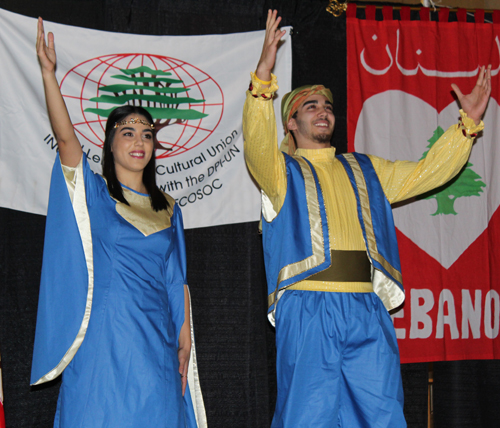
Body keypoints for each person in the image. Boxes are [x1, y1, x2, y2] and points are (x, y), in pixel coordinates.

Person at [243, 10, 491, 428]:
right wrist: (264, 79)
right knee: (308, 416)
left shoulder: (364, 169)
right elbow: (256, 146)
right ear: (291, 121)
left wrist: (466, 126)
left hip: (365, 306)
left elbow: (424, 173)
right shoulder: (281, 172)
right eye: (310, 106)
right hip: (308, 307)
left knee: (382, 414)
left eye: (327, 105)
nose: (323, 111)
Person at [30, 18, 206, 428]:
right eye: (128, 132)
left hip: (156, 342)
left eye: (146, 134)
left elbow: (175, 280)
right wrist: (47, 73)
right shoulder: (95, 194)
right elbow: (68, 141)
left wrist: (184, 341)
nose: (139, 141)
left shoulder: (169, 208)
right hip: (102, 337)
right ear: (111, 143)